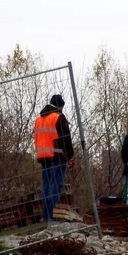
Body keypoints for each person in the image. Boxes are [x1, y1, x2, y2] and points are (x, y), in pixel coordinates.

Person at [34, 94, 75, 222]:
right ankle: (53, 216)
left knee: (46, 187)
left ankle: (45, 216)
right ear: (60, 106)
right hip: (57, 156)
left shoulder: (38, 119)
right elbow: (65, 139)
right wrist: (70, 157)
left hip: (43, 157)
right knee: (55, 187)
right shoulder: (58, 117)